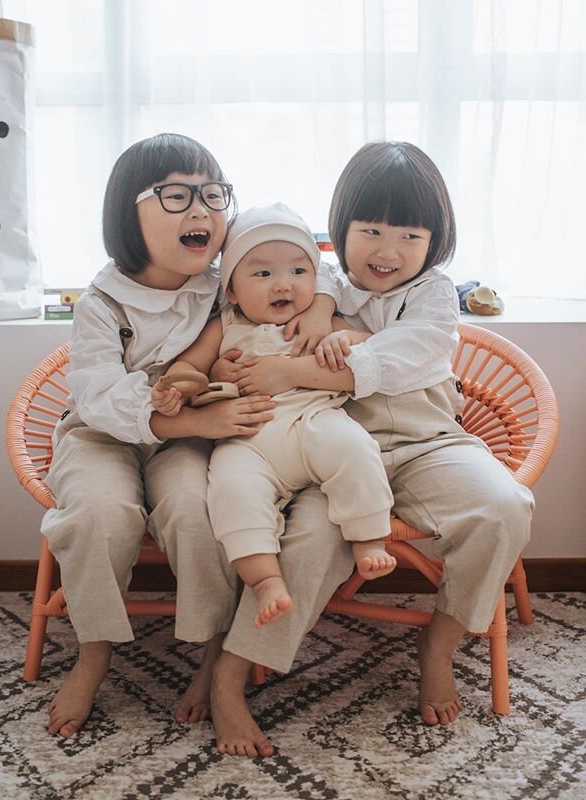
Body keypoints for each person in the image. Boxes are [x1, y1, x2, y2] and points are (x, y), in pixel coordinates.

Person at [40, 133, 355, 758]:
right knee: (98, 515)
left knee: (195, 509)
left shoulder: (223, 283)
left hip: (191, 439)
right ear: (128, 215)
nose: (201, 211)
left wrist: (319, 304)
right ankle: (94, 653)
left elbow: (305, 263)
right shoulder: (102, 301)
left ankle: (215, 655)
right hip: (105, 435)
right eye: (177, 196)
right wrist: (192, 423)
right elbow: (98, 395)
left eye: (213, 195)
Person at [232, 142, 534, 727]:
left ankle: (439, 644)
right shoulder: (314, 279)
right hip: (336, 451)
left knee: (504, 507)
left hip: (428, 443)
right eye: (370, 230)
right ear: (340, 229)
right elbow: (264, 306)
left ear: (434, 241)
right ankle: (239, 666)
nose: (388, 251)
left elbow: (409, 355)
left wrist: (310, 355)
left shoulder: (433, 293)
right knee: (309, 541)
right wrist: (322, 309)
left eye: (410, 237)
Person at [152, 203, 397, 630]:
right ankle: (264, 579)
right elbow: (186, 369)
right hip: (248, 441)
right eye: (263, 274)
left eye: (298, 272)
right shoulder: (224, 325)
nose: (283, 284)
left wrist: (345, 339)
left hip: (314, 422)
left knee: (354, 448)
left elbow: (372, 345)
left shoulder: (318, 320)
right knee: (229, 489)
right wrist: (189, 382)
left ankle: (368, 538)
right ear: (230, 290)